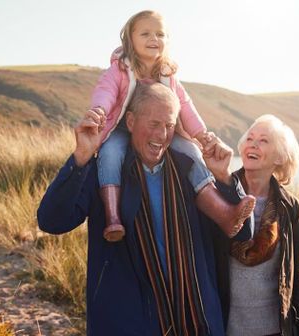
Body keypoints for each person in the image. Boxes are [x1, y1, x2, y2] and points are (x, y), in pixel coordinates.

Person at [38, 82, 253, 335]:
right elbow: (52, 221)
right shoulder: (106, 174)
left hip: (198, 322)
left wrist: (225, 178)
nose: (162, 135)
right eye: (153, 124)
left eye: (169, 126)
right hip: (129, 324)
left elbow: (241, 233)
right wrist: (81, 157)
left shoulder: (193, 172)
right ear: (130, 122)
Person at [89, 10, 255, 242]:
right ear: (130, 38)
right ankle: (113, 217)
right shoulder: (120, 69)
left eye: (160, 34)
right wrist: (99, 110)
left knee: (192, 152)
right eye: (145, 33)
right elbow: (105, 91)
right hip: (121, 129)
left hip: (162, 130)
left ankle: (224, 213)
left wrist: (201, 134)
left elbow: (185, 105)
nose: (153, 39)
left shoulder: (168, 74)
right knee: (110, 154)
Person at [212, 115, 299, 336]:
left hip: (276, 331)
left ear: (279, 157)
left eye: (264, 141)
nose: (253, 144)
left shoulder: (290, 208)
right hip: (224, 328)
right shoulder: (218, 195)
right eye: (250, 138)